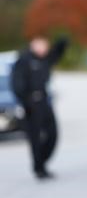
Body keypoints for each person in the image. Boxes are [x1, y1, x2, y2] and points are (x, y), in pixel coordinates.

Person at [11, 35, 68, 179]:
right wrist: (26, 102)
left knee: (52, 134)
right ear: (33, 44)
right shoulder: (23, 60)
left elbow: (56, 53)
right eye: (41, 45)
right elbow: (17, 84)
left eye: (46, 46)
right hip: (32, 104)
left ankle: (42, 161)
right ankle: (39, 168)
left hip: (45, 101)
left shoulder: (44, 59)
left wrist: (62, 42)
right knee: (35, 138)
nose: (44, 48)